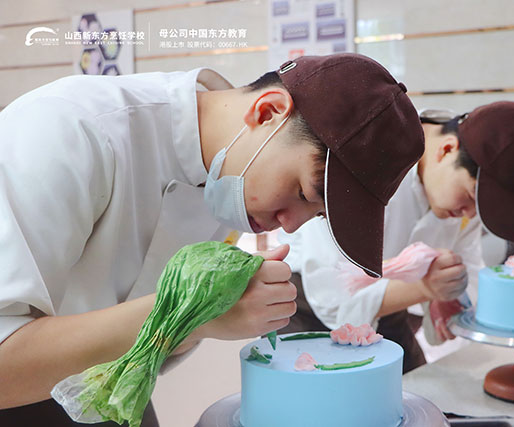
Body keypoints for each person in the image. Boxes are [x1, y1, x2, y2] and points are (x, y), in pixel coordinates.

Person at [0, 53, 424, 424]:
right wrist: (190, 314)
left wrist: (205, 312)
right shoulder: (71, 129)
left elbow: (141, 347)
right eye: (301, 193)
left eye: (315, 215)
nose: (290, 225)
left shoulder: (229, 173)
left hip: (114, 389)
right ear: (267, 112)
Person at [278, 101, 514, 372]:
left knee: (415, 387)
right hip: (306, 306)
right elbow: (332, 298)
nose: (469, 214)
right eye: (471, 197)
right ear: (447, 149)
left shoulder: (461, 199)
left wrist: (451, 294)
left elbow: (469, 275)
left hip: (387, 307)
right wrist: (424, 289)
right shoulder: (368, 157)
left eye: (481, 209)